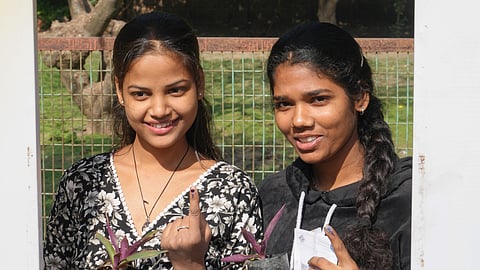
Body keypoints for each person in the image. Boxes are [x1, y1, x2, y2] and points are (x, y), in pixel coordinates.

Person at [43, 12, 262, 270]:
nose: (159, 109)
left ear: (199, 83)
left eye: (176, 90)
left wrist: (190, 264)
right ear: (119, 91)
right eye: (141, 94)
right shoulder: (82, 183)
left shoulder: (233, 191)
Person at [258, 22, 412, 270]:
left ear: (360, 97)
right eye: (284, 104)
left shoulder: (408, 202)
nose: (299, 120)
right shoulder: (273, 196)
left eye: (318, 99)